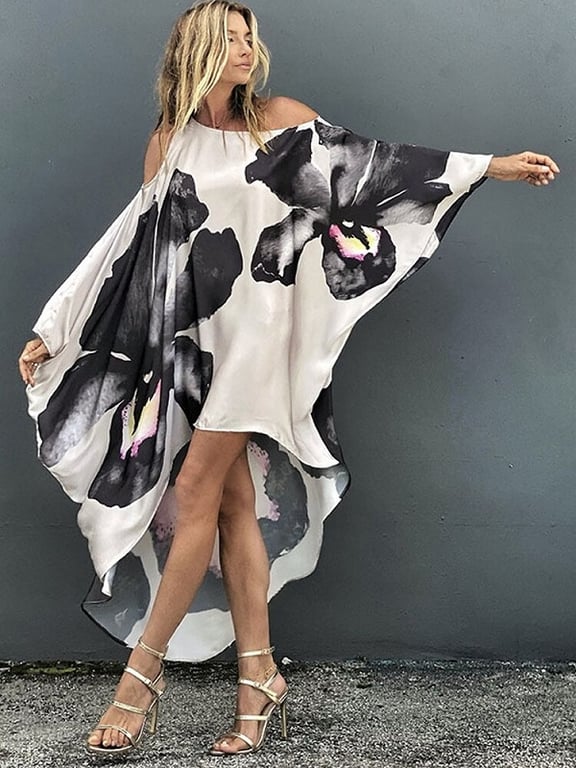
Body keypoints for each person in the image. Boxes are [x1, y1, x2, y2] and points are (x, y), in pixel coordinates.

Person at [18, 0, 559, 758]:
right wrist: (56, 326)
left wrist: (488, 166)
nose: (247, 49)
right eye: (231, 38)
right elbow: (134, 249)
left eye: (250, 37)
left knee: (196, 491)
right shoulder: (170, 141)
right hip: (200, 342)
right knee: (232, 502)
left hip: (260, 342)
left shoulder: (281, 122)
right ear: (197, 48)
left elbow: (373, 169)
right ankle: (259, 678)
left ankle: (138, 682)